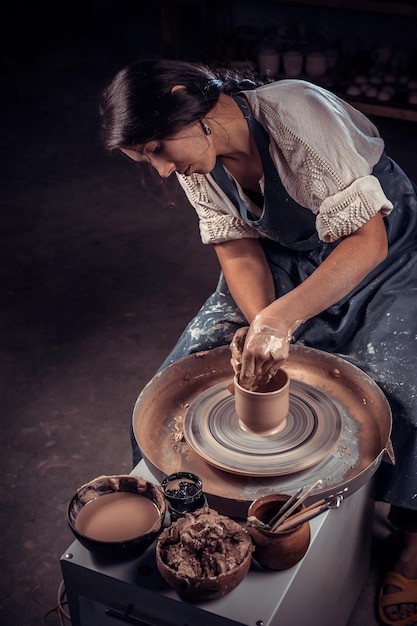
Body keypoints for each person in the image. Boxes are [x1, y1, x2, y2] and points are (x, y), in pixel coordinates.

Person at [99, 59, 417, 625]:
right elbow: (239, 249)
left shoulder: (296, 110)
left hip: (381, 246)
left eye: (157, 149)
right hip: (283, 256)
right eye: (146, 158)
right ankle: (195, 522)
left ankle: (413, 548)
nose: (164, 170)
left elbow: (365, 243)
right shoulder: (194, 157)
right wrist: (262, 323)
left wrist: (282, 321)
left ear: (185, 102)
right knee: (187, 375)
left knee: (406, 392)